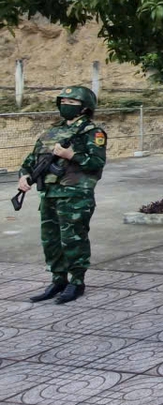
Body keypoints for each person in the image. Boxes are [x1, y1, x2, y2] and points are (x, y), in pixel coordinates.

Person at [19, 86, 107, 305]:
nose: (66, 105)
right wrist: (24, 176)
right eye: (63, 101)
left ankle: (77, 281)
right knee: (51, 240)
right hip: (49, 194)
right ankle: (58, 279)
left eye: (72, 102)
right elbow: (31, 161)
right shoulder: (50, 132)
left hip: (75, 196)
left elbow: (97, 162)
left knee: (73, 239)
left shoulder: (92, 132)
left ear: (85, 107)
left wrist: (71, 155)